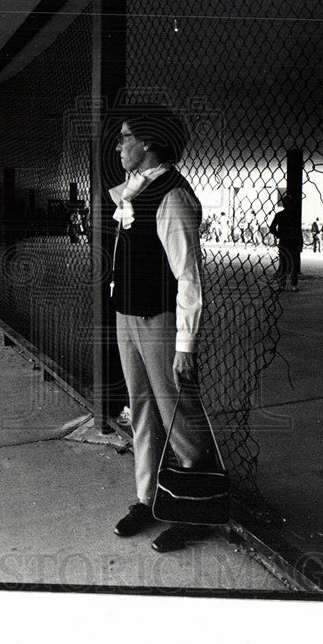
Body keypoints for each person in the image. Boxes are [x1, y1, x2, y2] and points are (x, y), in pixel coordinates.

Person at [108, 105, 221, 554]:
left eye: (125, 137)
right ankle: (148, 499)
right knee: (141, 409)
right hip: (128, 316)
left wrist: (185, 344)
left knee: (178, 417)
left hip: (159, 322)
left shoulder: (172, 196)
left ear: (148, 143)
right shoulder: (137, 191)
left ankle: (198, 512)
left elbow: (189, 275)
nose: (119, 146)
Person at [269, 195, 302, 291]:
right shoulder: (295, 215)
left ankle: (282, 285)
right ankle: (294, 285)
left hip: (284, 242)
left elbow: (272, 228)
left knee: (283, 264)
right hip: (293, 242)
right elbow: (298, 230)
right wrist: (300, 243)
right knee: (294, 264)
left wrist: (279, 235)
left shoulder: (280, 215)